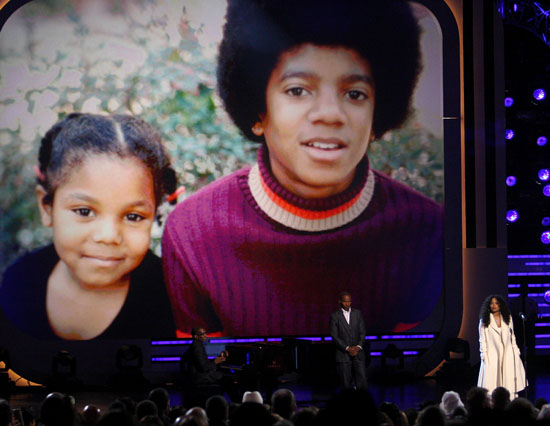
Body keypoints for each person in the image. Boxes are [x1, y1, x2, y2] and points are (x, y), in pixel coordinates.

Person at [162, 0, 443, 336]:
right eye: (298, 90)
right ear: (258, 111)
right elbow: (202, 376)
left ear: (377, 118)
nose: (329, 113)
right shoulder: (193, 234)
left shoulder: (427, 231)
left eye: (354, 94)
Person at [0, 113, 177, 340]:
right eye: (84, 212)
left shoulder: (170, 303)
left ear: (154, 214)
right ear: (47, 208)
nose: (108, 236)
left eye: (133, 216)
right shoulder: (19, 282)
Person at [477, 295, 527, 397]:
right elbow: (482, 339)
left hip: (508, 353)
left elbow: (512, 336)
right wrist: (484, 355)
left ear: (501, 305)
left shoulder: (507, 318)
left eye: (496, 303)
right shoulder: (484, 320)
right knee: (492, 382)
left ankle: (510, 401)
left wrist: (516, 351)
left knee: (509, 380)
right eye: (492, 303)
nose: (494, 305)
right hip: (492, 354)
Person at [329, 292, 367, 390]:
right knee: (345, 383)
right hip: (343, 353)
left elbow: (363, 332)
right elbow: (334, 336)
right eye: (345, 301)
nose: (347, 304)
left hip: (358, 352)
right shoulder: (335, 316)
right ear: (340, 301)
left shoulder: (357, 313)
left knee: (362, 380)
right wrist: (347, 348)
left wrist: (358, 347)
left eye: (349, 301)